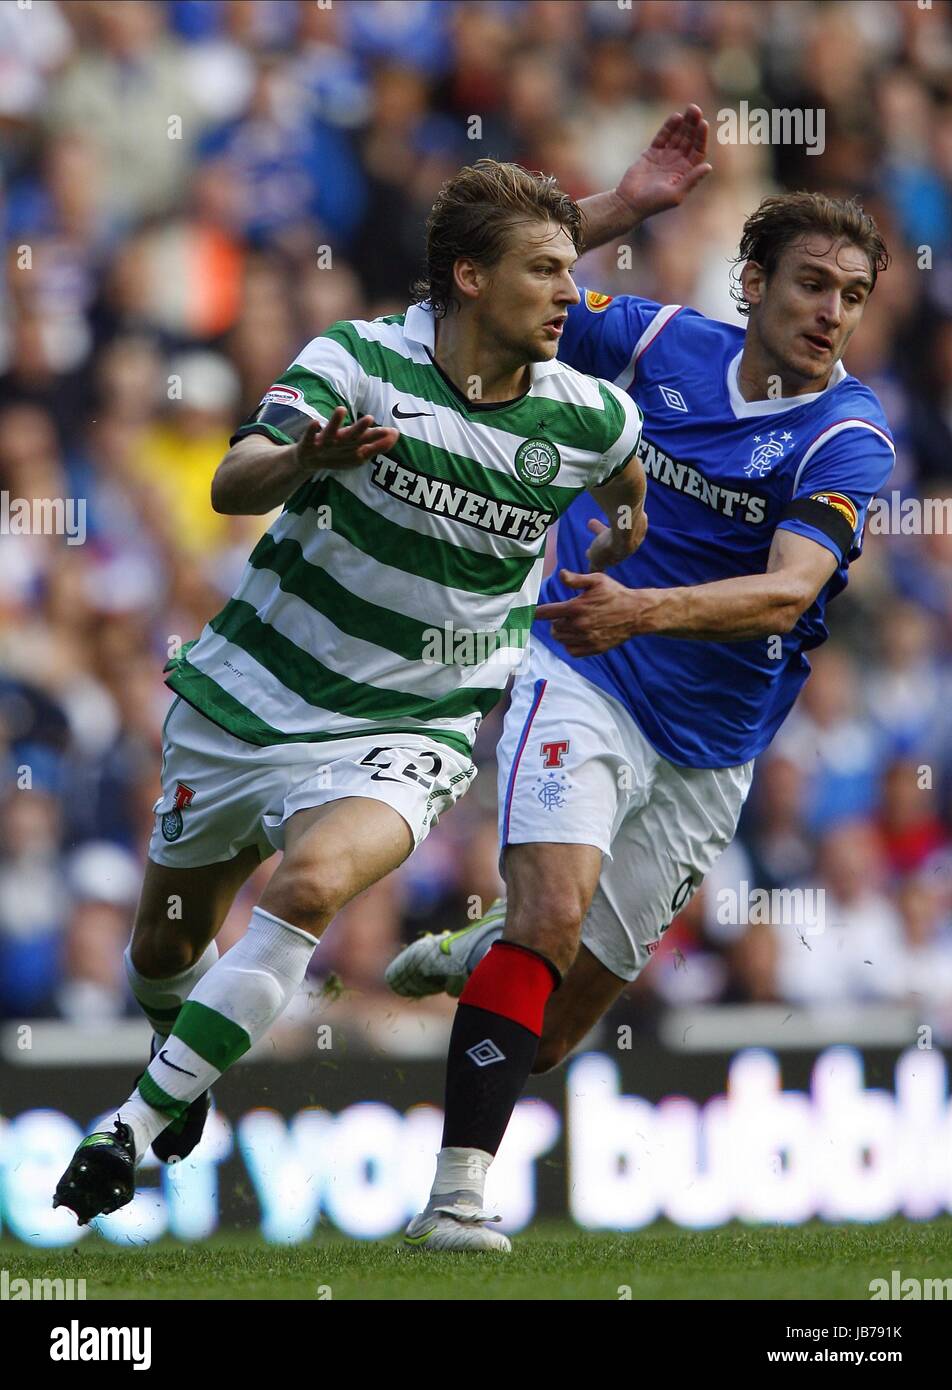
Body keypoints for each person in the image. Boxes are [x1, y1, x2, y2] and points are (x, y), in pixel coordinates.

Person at [52, 158, 647, 1234]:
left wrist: (621, 535)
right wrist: (300, 461)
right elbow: (238, 479)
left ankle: (129, 1130)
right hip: (253, 697)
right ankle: (175, 1045)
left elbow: (624, 486)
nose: (571, 294)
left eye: (575, 269)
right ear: (468, 277)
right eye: (546, 270)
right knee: (161, 952)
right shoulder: (358, 361)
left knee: (314, 885)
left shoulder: (592, 416)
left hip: (412, 724)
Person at [389, 108, 895, 1252]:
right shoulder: (658, 341)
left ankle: (489, 946)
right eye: (810, 284)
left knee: (559, 1021)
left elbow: (782, 592)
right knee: (552, 912)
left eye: (851, 296)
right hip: (582, 668)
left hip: (710, 744)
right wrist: (617, 209)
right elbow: (483, 297)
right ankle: (454, 1202)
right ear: (751, 282)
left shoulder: (848, 436)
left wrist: (645, 606)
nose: (830, 313)